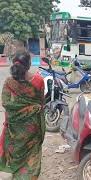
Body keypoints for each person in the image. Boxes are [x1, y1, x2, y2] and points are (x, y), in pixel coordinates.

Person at [0, 51, 45, 179]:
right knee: (33, 153)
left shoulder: (9, 82)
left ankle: (18, 175)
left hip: (16, 127)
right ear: (29, 64)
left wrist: (19, 110)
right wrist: (33, 108)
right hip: (33, 126)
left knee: (17, 152)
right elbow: (41, 102)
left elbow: (6, 103)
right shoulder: (39, 80)